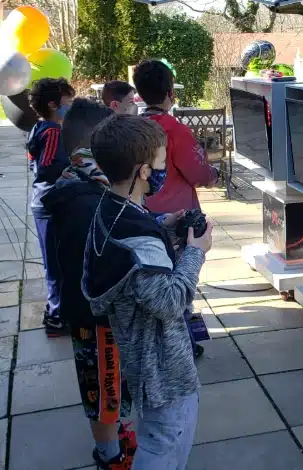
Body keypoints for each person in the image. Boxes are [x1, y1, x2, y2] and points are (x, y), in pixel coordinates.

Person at [82, 114, 212, 469]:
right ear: (143, 172)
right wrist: (196, 251)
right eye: (160, 163)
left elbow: (134, 261)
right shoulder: (138, 238)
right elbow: (170, 301)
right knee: (165, 443)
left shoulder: (110, 209)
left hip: (141, 359)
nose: (162, 170)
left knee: (160, 437)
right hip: (164, 373)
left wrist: (161, 226)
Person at [41, 98, 138, 469]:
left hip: (97, 310)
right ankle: (109, 455)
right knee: (103, 387)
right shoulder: (85, 200)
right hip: (95, 315)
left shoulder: (85, 186)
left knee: (110, 384)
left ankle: (114, 438)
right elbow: (103, 256)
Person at [132, 59, 219, 214]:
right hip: (176, 215)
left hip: (140, 211)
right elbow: (199, 173)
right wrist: (214, 174)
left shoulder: (131, 128)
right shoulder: (175, 131)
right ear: (170, 93)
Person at [27, 78, 75, 337]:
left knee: (54, 262)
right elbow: (47, 167)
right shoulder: (54, 132)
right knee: (57, 264)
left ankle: (57, 310)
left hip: (43, 202)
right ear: (53, 105)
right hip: (51, 204)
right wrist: (68, 172)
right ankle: (56, 316)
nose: (71, 106)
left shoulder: (38, 127)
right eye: (68, 102)